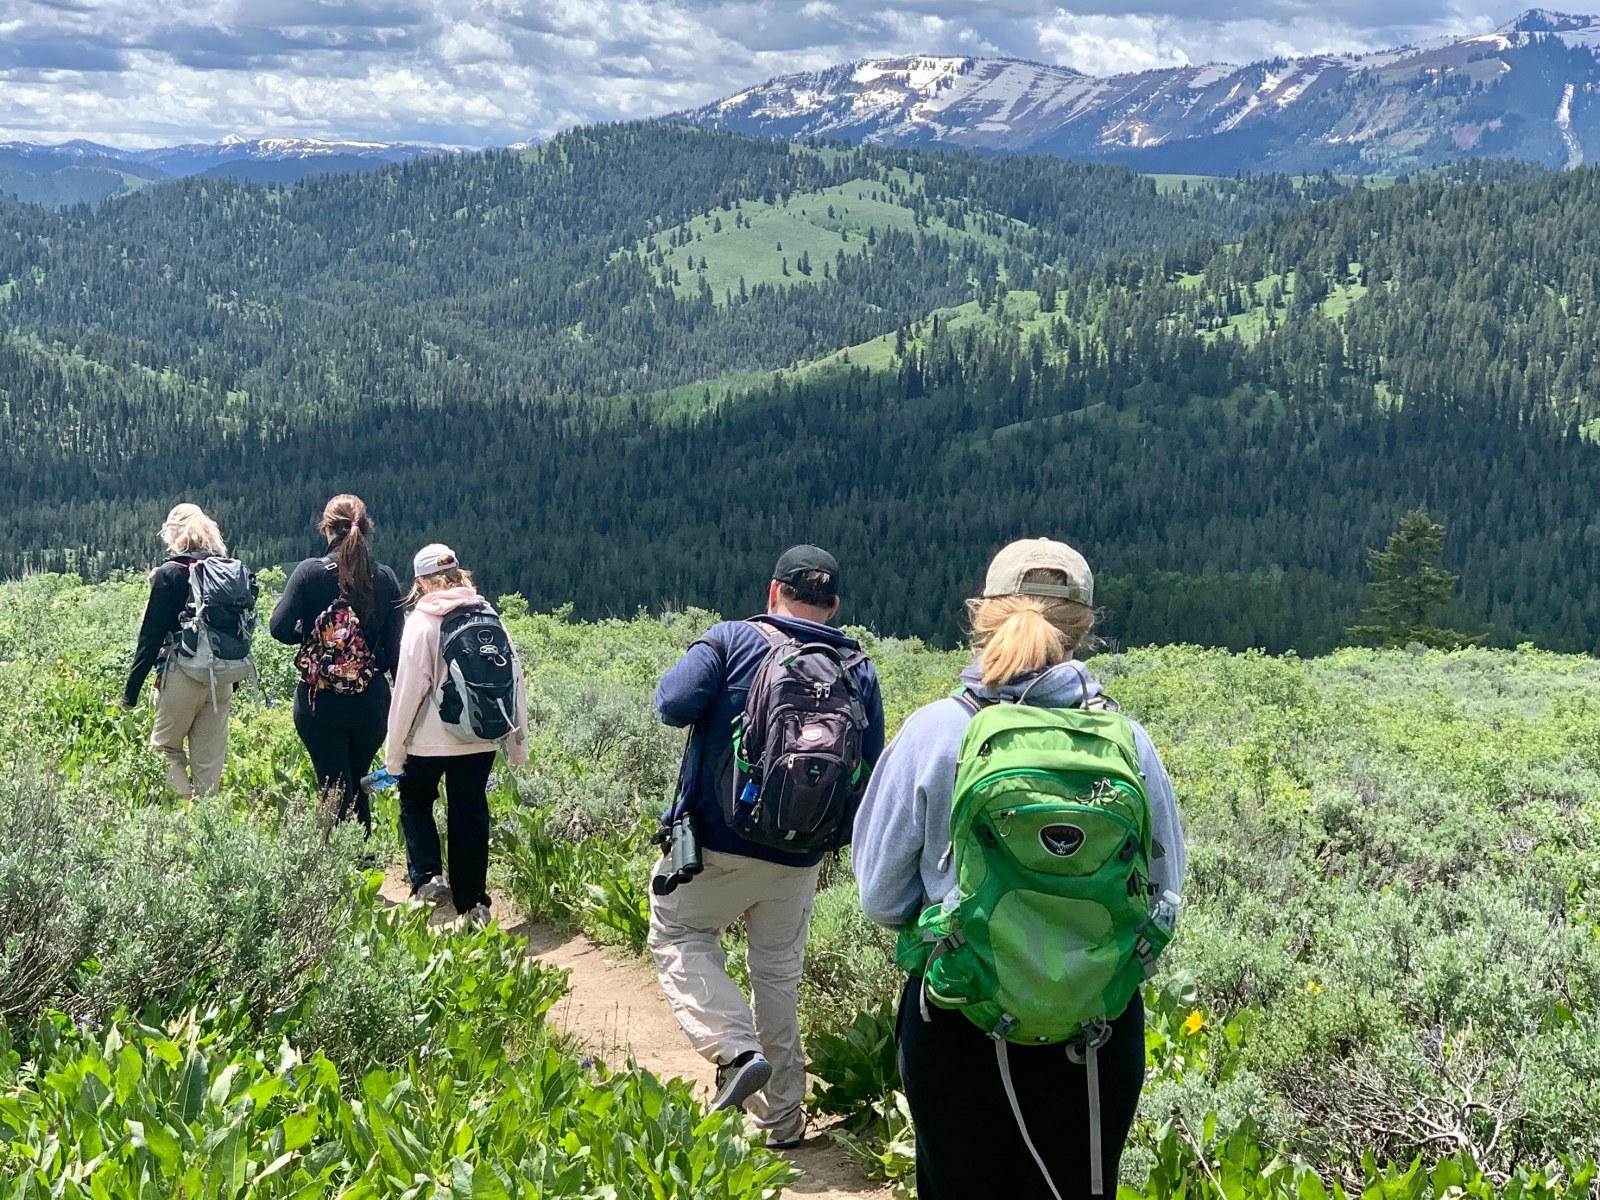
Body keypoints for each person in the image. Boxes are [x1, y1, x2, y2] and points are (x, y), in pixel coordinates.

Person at [852, 538, 1187, 1200]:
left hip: (957, 1011)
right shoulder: (1128, 741)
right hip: (1094, 1028)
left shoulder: (933, 732)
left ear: (982, 616)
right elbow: (1164, 886)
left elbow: (882, 900)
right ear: (1084, 625)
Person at [649, 545, 886, 1150]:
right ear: (833, 604)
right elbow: (870, 766)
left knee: (678, 933)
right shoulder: (856, 666)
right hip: (801, 853)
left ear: (772, 591)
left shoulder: (733, 638)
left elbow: (671, 704)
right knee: (777, 976)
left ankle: (734, 1048)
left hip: (718, 840)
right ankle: (780, 1119)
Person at [385, 543, 529, 922]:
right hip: (480, 735)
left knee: (415, 800)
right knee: (469, 811)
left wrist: (394, 753)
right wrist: (516, 744)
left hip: (428, 743)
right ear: (458, 573)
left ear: (421, 582)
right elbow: (514, 680)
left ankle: (429, 878)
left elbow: (408, 691)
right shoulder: (487, 612)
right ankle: (474, 903)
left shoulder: (421, 620)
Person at [270, 494, 403, 830]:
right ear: (365, 528)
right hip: (371, 702)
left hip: (320, 700)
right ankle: (363, 859)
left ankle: (337, 865)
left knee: (333, 785)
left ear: (326, 528)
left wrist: (314, 640)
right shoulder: (385, 578)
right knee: (359, 779)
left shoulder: (309, 573)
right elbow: (397, 650)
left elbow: (278, 627)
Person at [121, 503, 235, 798]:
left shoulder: (169, 574)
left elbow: (150, 637)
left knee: (165, 749)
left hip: (181, 674)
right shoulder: (227, 571)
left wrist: (130, 693)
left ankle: (181, 818)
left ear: (174, 534)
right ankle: (207, 826)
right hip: (222, 678)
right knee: (209, 761)